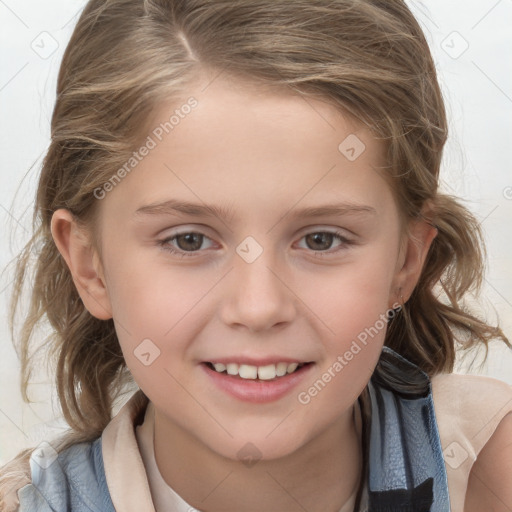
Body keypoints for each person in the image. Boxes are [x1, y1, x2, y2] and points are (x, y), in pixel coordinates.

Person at [1, 0, 511, 511]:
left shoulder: (492, 472)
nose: (259, 307)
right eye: (188, 240)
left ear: (405, 262)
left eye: (321, 240)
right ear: (91, 267)